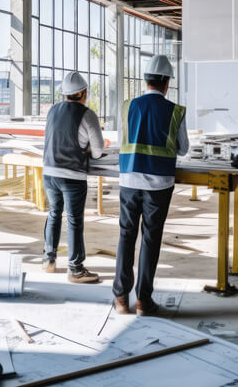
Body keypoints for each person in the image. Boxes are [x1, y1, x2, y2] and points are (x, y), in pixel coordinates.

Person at [113, 55, 188, 316]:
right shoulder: (175, 111)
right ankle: (144, 301)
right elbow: (184, 148)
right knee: (150, 239)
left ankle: (121, 299)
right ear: (166, 82)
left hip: (129, 180)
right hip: (159, 183)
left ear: (145, 80)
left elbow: (123, 138)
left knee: (126, 235)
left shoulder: (127, 106)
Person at [42, 71, 105, 284]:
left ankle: (49, 260)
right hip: (71, 176)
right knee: (74, 221)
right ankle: (75, 269)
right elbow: (97, 151)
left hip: (49, 173)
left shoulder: (52, 110)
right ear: (84, 92)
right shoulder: (87, 115)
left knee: (54, 213)